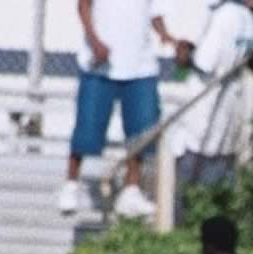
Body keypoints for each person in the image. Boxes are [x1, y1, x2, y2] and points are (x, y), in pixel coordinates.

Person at [60, 0, 172, 219]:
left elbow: (155, 12)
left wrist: (165, 35)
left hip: (140, 64)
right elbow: (83, 6)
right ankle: (71, 184)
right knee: (87, 127)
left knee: (142, 129)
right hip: (101, 64)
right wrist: (95, 41)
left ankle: (131, 189)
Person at [169, 0, 253, 187]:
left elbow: (205, 63)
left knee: (190, 169)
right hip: (230, 103)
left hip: (206, 102)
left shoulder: (223, 16)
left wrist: (185, 55)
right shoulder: (248, 18)